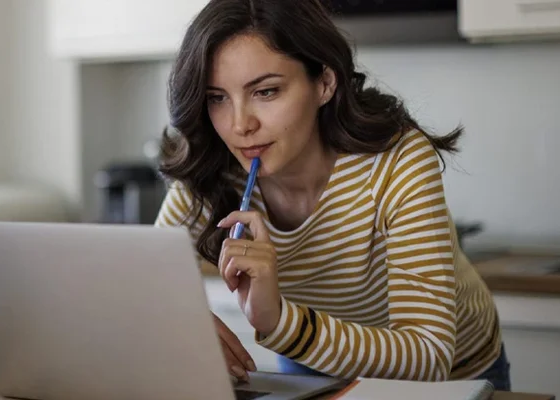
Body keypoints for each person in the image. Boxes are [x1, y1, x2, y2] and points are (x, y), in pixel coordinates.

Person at [153, 0, 510, 391]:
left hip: (451, 379)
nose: (240, 125)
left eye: (266, 91)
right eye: (217, 98)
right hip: (313, 363)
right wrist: (181, 319)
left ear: (324, 82)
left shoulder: (397, 161)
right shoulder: (211, 171)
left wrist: (277, 322)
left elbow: (429, 354)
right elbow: (140, 284)